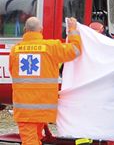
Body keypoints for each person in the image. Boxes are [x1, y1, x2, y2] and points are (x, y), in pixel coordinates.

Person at [9, 17, 81, 145]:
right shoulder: (51, 47)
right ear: (41, 30)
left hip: (25, 110)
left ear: (25, 30)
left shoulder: (15, 51)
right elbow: (75, 50)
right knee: (36, 139)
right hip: (43, 108)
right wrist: (72, 30)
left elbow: (12, 72)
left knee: (30, 141)